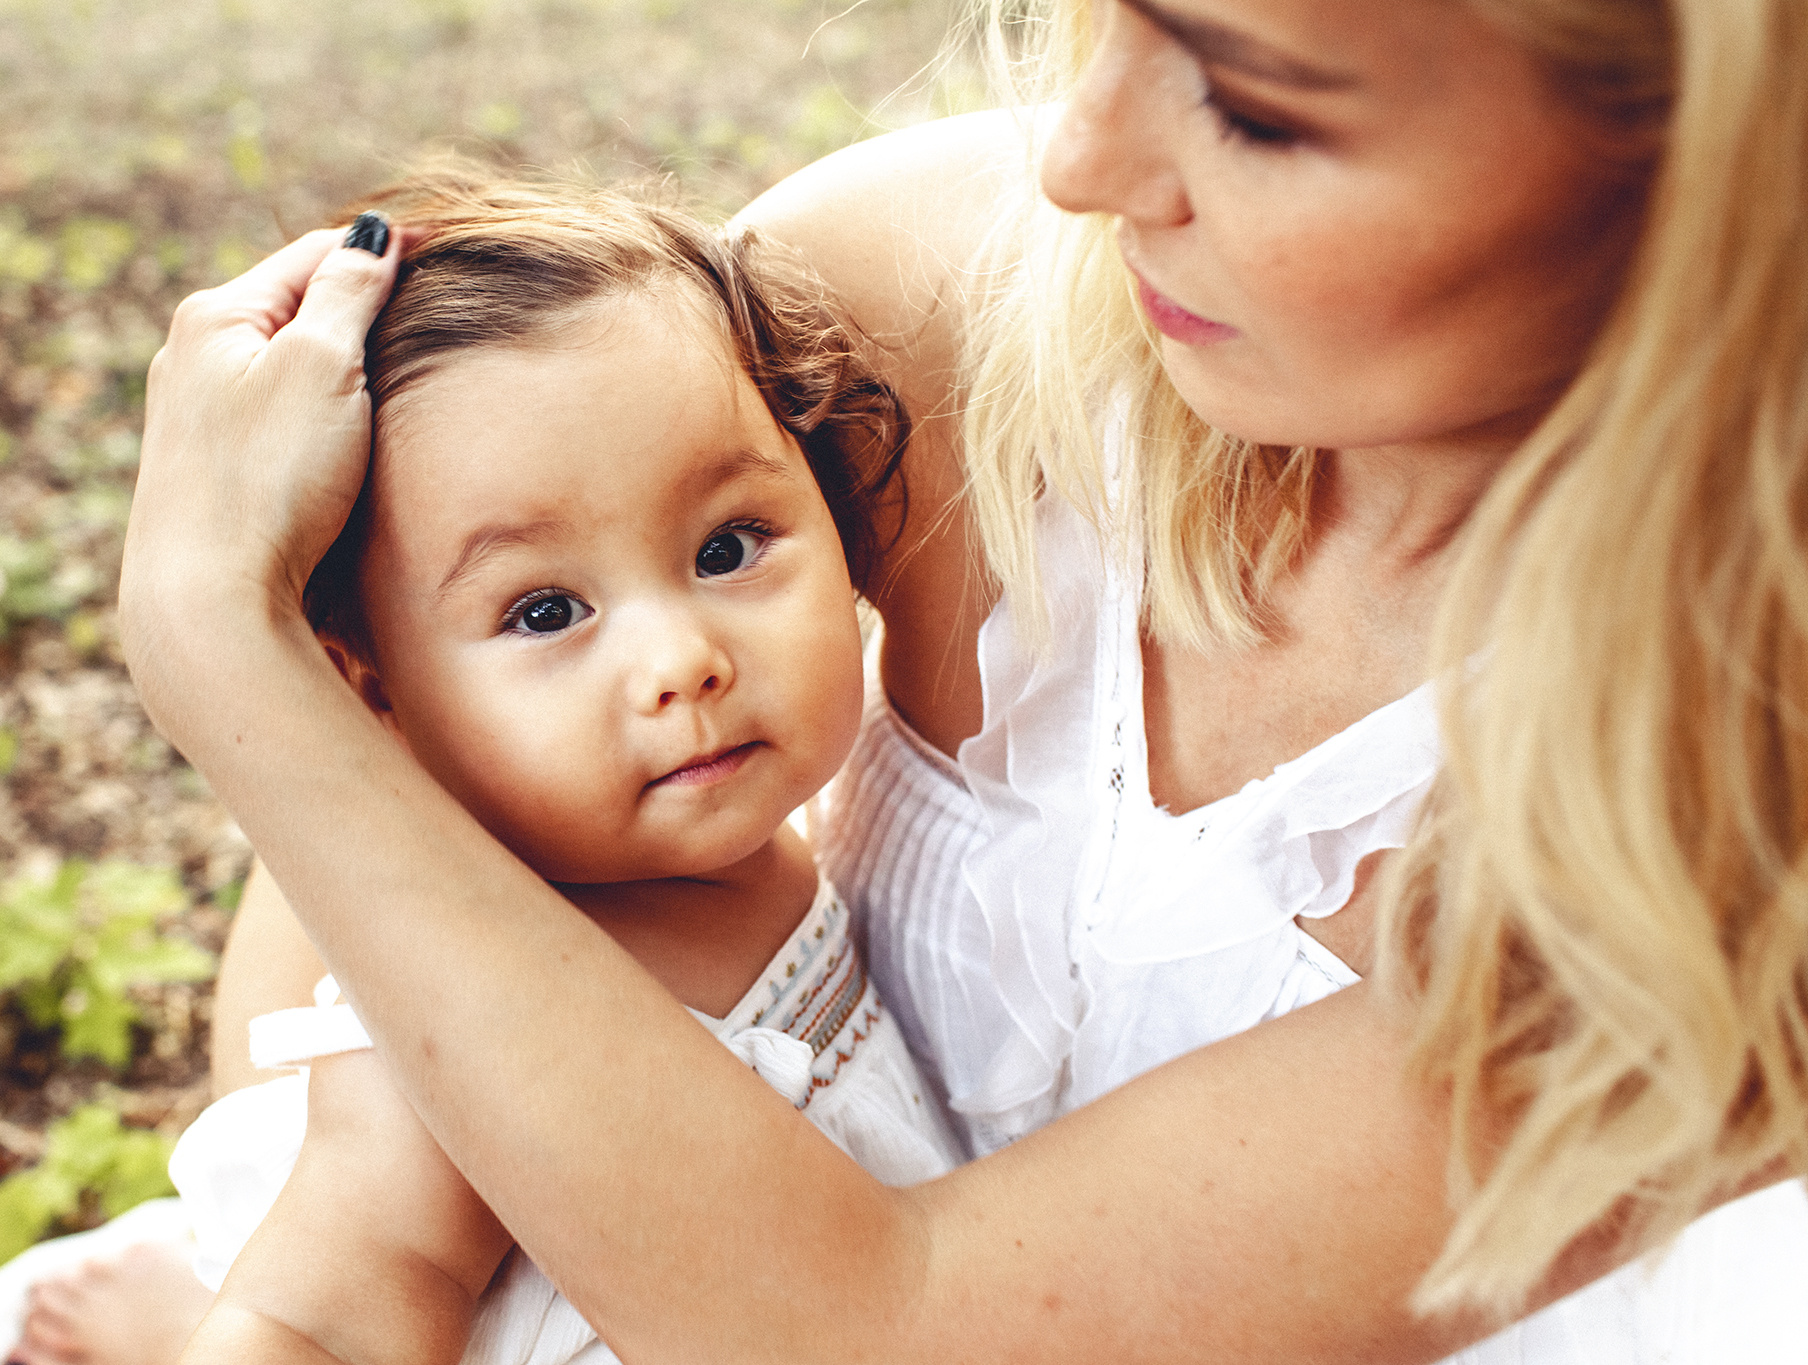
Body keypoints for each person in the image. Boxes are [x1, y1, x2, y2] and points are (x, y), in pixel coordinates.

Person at [117, 0, 1808, 1360]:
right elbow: (395, 749)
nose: (1076, 159)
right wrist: (325, 1222)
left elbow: (876, 1329)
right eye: (1109, 18)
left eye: (1255, 106)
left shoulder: (1740, 804)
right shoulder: (916, 296)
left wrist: (220, 650)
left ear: (1703, 159)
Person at [152, 164, 963, 1363]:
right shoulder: (463, 1008)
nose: (680, 662)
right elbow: (313, 1320)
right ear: (372, 696)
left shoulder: (777, 844)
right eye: (543, 613)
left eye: (727, 547)